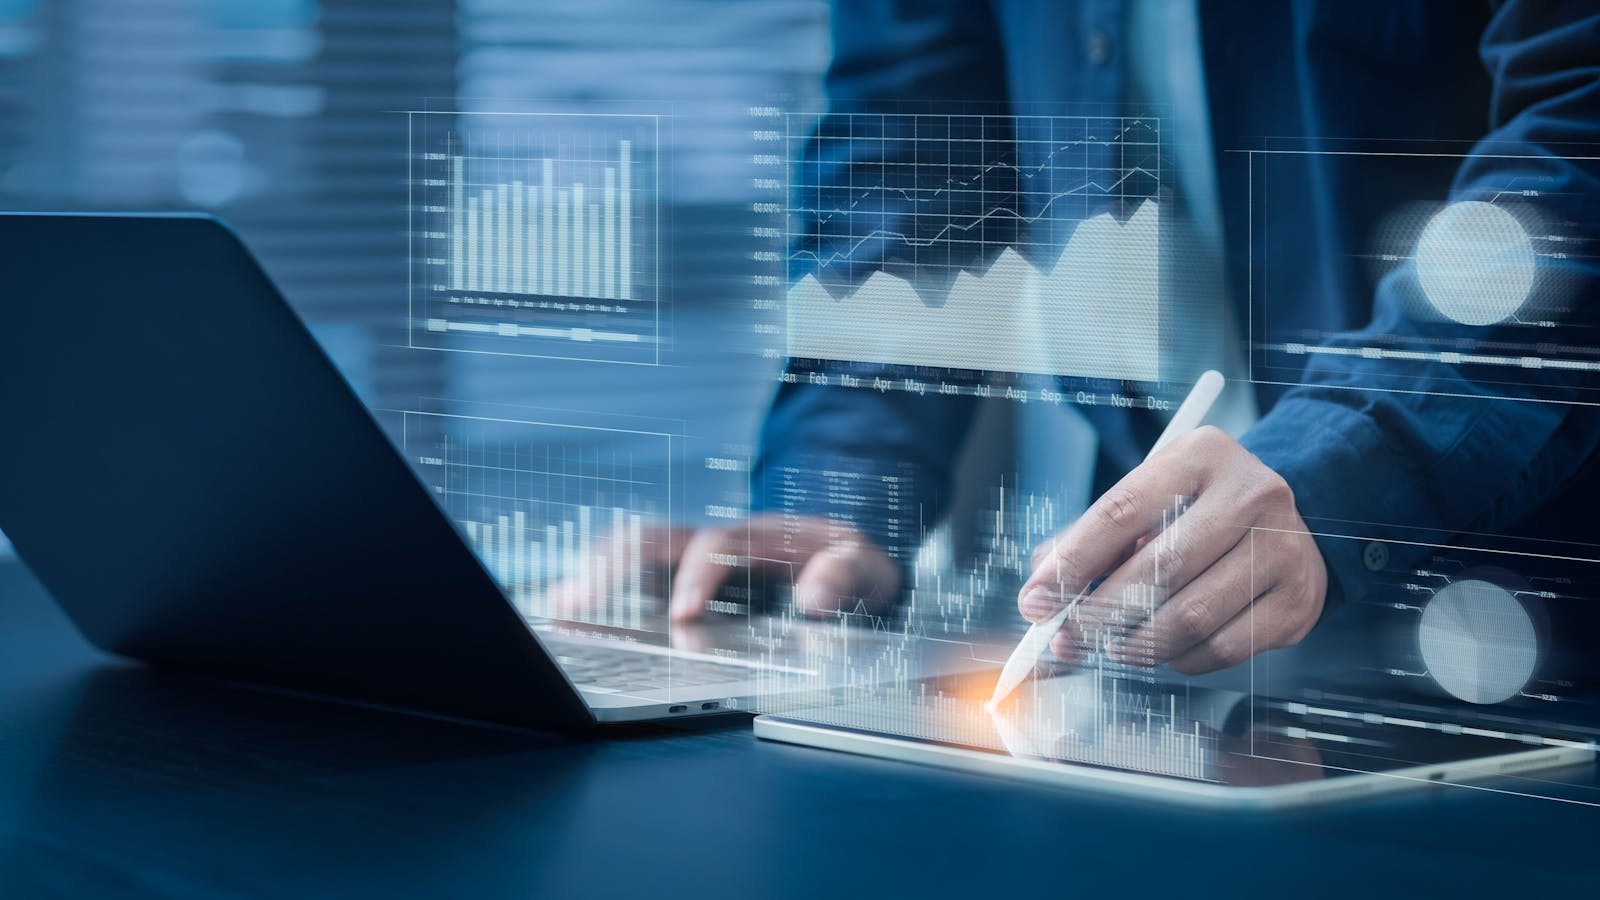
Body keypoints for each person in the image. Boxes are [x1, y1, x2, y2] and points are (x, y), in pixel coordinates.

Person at [604, 1, 1600, 675]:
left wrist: (1350, 462)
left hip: (1524, 600)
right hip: (1150, 610)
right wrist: (832, 491)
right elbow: (909, 141)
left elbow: (1578, 138)